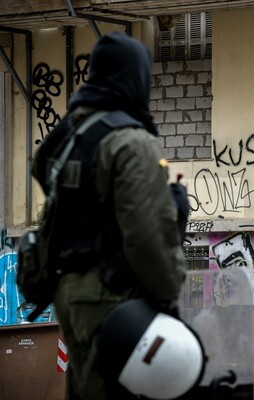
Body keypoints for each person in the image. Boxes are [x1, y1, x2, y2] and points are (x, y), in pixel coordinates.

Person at [31, 32, 185, 399]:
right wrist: (168, 294)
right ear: (134, 78)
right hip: (113, 299)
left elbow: (44, 171)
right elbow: (145, 235)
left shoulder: (70, 134)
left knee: (88, 389)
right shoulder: (130, 141)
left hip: (71, 292)